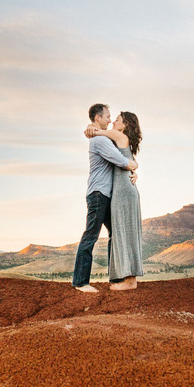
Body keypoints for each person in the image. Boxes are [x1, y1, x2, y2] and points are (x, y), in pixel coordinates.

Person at [71, 104, 138, 292]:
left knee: (114, 235)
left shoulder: (103, 137)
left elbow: (121, 155)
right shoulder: (99, 141)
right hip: (98, 194)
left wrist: (133, 168)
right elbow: (120, 160)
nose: (110, 120)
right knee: (91, 235)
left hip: (106, 194)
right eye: (108, 116)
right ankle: (80, 282)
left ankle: (116, 278)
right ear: (97, 118)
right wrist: (133, 165)